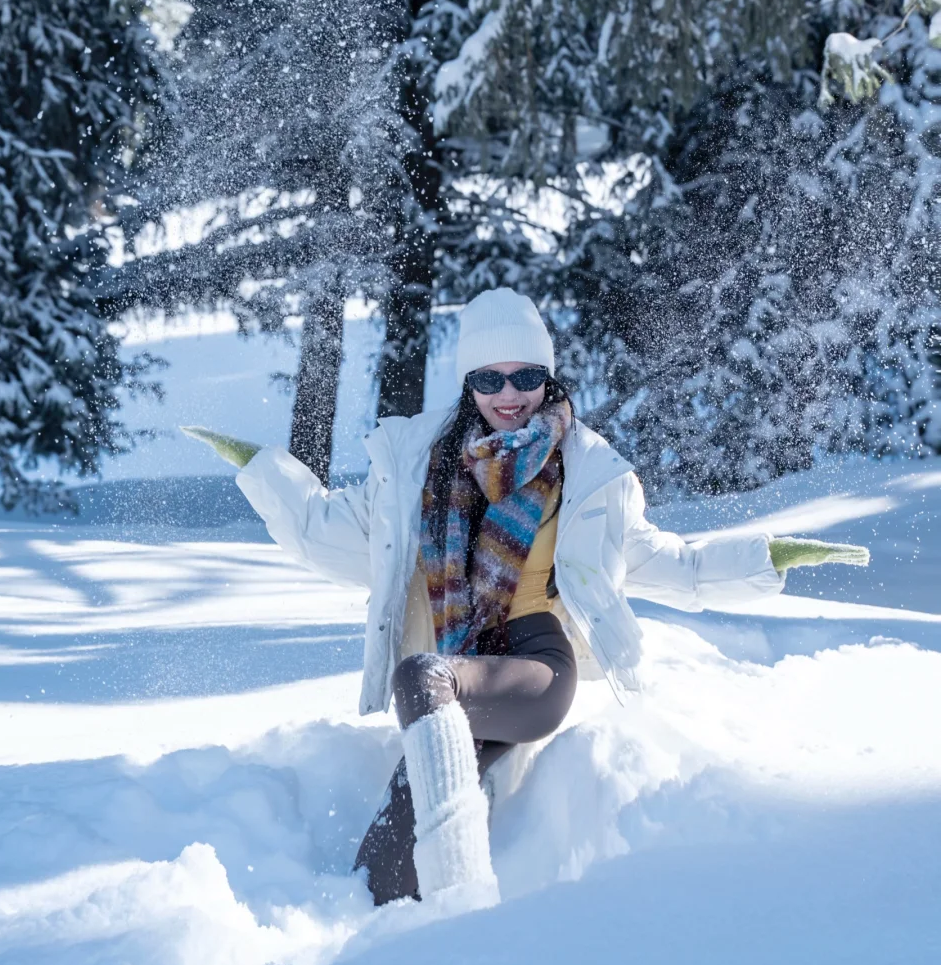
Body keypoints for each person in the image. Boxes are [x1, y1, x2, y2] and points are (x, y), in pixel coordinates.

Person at [185, 287, 868, 912]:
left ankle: (466, 902)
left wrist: (766, 558)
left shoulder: (589, 472)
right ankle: (389, 948)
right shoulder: (416, 470)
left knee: (422, 678)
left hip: (537, 661)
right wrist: (262, 469)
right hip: (463, 665)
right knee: (383, 870)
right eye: (490, 378)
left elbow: (672, 563)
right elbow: (328, 534)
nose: (509, 395)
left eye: (526, 377)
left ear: (548, 378)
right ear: (468, 383)